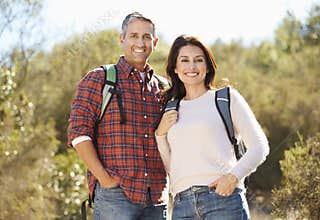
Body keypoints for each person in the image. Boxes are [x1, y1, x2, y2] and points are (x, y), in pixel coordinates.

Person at [155, 35, 270, 220]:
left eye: (198, 60)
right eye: (184, 60)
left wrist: (233, 178)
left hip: (222, 200)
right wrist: (160, 135)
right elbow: (172, 168)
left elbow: (260, 146)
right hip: (182, 206)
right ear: (175, 68)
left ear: (207, 66)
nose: (192, 66)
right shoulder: (170, 108)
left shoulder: (226, 98)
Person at [67, 12, 167, 220]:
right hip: (115, 196)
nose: (140, 42)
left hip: (157, 198)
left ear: (155, 42)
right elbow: (78, 134)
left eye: (147, 37)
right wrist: (105, 180)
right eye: (134, 36)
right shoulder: (100, 78)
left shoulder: (163, 87)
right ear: (122, 39)